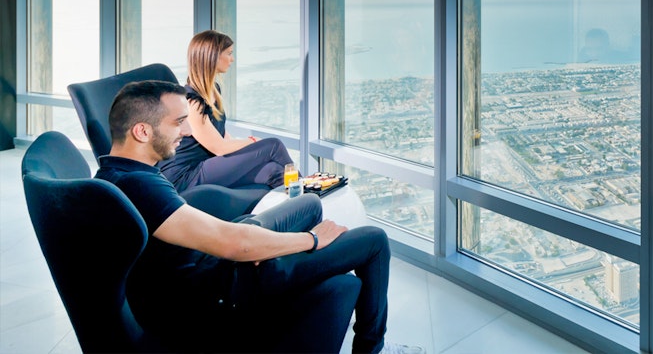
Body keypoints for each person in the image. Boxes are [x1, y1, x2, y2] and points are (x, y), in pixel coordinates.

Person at [96, 80, 423, 354]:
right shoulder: (140, 185)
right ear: (142, 131)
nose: (185, 131)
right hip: (230, 284)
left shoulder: (112, 174)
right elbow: (235, 245)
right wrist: (310, 240)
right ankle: (371, 347)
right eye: (176, 122)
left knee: (309, 203)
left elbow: (205, 235)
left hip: (218, 256)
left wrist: (249, 238)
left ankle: (297, 279)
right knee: (375, 241)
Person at [160, 29, 293, 192]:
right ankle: (309, 190)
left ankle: (302, 207)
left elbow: (222, 136)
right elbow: (219, 148)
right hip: (186, 175)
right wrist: (253, 142)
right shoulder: (191, 102)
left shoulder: (213, 90)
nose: (232, 59)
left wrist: (249, 148)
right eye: (229, 53)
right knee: (273, 145)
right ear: (213, 56)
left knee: (273, 172)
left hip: (206, 166)